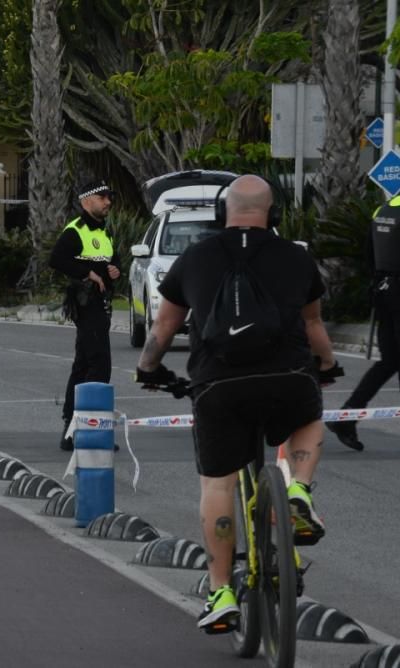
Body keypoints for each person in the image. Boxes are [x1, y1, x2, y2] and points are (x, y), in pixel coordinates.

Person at [134, 175, 339, 634]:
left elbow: (163, 329)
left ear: (222, 213)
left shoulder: (195, 257)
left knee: (218, 485)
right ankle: (299, 490)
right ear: (274, 213)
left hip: (219, 385)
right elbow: (314, 327)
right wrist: (326, 366)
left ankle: (221, 589)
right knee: (307, 418)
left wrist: (149, 371)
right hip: (286, 377)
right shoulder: (296, 257)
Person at [49, 180, 120, 451]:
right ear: (86, 201)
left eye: (108, 196)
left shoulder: (105, 232)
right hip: (85, 301)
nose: (107, 201)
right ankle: (93, 429)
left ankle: (70, 430)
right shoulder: (75, 230)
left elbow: (112, 262)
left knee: (82, 366)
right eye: (102, 197)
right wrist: (87, 272)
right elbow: (57, 259)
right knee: (99, 364)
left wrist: (115, 271)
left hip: (101, 302)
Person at [325, 192, 400, 452]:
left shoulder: (384, 209)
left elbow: (369, 253)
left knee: (390, 361)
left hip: (382, 289)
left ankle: (348, 416)